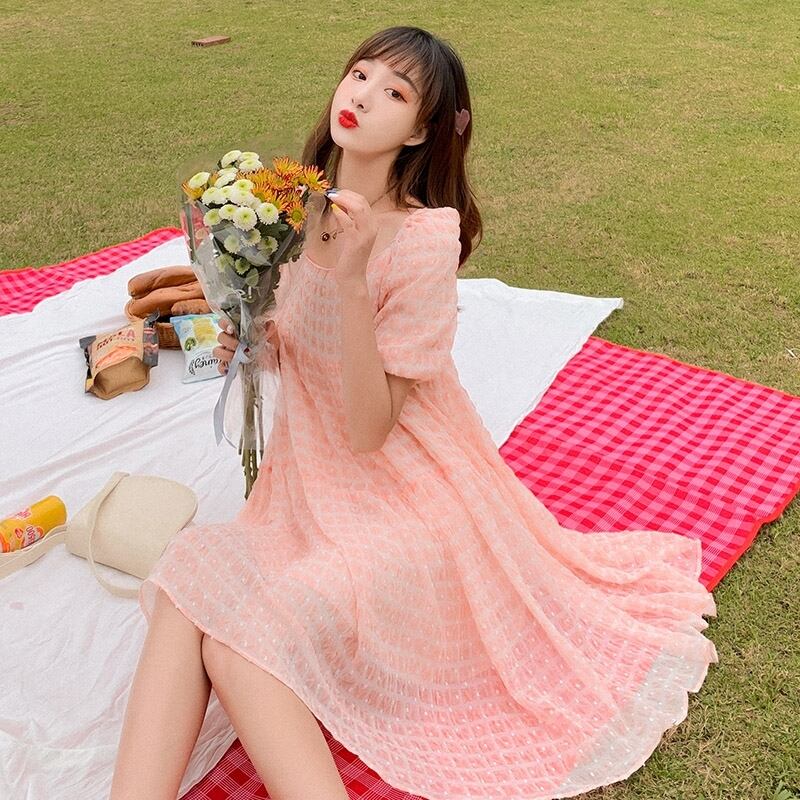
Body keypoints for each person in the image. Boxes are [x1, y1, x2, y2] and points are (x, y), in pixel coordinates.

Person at [111, 25, 719, 800]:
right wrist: (252, 337)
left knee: (241, 644)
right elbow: (302, 349)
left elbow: (370, 430)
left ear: (422, 131)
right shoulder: (287, 209)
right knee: (185, 582)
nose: (363, 96)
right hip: (307, 492)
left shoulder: (424, 241)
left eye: (394, 92)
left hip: (410, 500)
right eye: (360, 74)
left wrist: (353, 280)